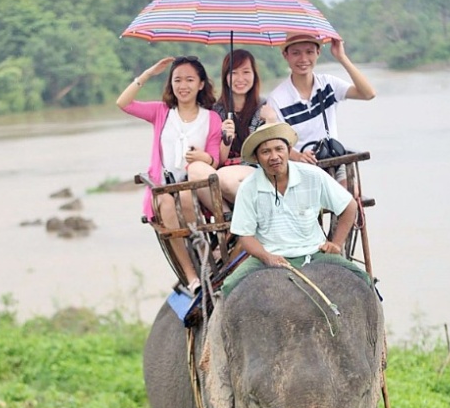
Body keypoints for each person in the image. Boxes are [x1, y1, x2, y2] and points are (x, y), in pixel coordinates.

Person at [221, 122, 371, 297]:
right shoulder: (248, 187)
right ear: (257, 157)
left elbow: (349, 206)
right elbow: (245, 236)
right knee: (229, 287)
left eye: (279, 149)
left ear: (288, 149)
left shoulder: (313, 175)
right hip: (270, 256)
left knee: (363, 280)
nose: (274, 156)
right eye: (265, 152)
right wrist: (267, 257)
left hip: (314, 253)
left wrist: (336, 244)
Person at [116, 56, 222, 294]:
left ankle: (206, 257)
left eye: (189, 80)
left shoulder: (211, 118)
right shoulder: (161, 112)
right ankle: (190, 275)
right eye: (177, 80)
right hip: (164, 187)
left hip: (192, 188)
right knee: (165, 201)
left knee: (185, 198)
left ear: (201, 84)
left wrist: (203, 158)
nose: (183, 86)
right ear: (171, 84)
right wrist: (147, 74)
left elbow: (215, 159)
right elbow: (123, 103)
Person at [266, 33, 376, 185]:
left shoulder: (328, 84)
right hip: (301, 169)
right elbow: (276, 143)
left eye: (309, 52)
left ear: (318, 53)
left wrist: (342, 58)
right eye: (296, 53)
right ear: (286, 55)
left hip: (333, 160)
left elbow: (368, 93)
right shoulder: (277, 99)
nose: (303, 59)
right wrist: (298, 156)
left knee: (350, 197)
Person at [188, 49, 278, 211]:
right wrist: (226, 140)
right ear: (225, 77)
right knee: (198, 174)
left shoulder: (264, 107)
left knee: (223, 179)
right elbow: (219, 160)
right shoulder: (216, 111)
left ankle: (266, 211)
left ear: (254, 75)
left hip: (256, 170)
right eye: (234, 73)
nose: (240, 79)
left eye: (246, 72)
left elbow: (274, 153)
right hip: (224, 171)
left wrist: (271, 122)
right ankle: (228, 218)